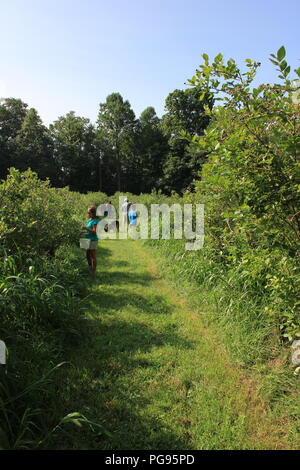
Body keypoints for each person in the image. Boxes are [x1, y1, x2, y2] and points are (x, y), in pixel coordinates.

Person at [81, 205, 99, 275]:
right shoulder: (89, 220)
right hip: (87, 239)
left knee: (93, 256)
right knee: (87, 255)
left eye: (88, 212)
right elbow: (89, 231)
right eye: (87, 212)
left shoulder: (95, 221)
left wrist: (85, 228)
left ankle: (93, 271)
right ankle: (90, 268)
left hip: (92, 240)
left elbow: (94, 231)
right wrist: (83, 232)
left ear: (93, 213)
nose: (87, 214)